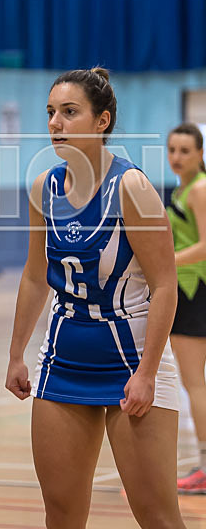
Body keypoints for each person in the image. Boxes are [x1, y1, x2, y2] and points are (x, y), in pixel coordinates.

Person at [5, 68, 184, 528]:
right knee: (61, 515)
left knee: (157, 516)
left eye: (69, 112)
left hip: (133, 361)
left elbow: (165, 286)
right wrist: (16, 355)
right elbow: (33, 276)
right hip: (63, 358)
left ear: (101, 121)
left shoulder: (132, 188)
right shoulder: (42, 187)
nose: (55, 123)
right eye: (50, 113)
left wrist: (146, 374)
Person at [165, 123, 206, 493]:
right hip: (190, 289)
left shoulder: (201, 189)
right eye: (172, 150)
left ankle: (205, 469)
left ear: (200, 154)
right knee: (194, 383)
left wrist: (166, 261)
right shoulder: (183, 188)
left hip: (196, 291)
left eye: (185, 151)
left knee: (195, 384)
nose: (177, 158)